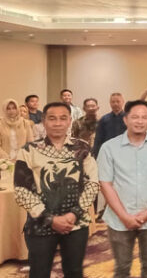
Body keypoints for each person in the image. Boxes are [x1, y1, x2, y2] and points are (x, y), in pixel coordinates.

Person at [14, 102, 99, 278]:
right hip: (40, 225)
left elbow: (93, 184)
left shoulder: (82, 148)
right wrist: (50, 218)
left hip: (75, 224)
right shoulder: (29, 150)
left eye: (63, 118)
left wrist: (74, 214)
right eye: (52, 118)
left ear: (70, 121)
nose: (58, 123)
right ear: (44, 121)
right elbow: (22, 190)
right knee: (39, 272)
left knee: (74, 271)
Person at [97, 100, 147, 278]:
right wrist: (124, 216)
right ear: (125, 119)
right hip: (119, 219)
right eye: (135, 117)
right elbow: (105, 183)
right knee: (122, 266)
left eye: (144, 117)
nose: (140, 121)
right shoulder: (109, 148)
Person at [93, 93, 127, 158]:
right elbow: (98, 139)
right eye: (113, 102)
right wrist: (97, 154)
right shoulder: (104, 119)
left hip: (125, 151)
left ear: (123, 102)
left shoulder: (128, 118)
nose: (115, 104)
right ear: (110, 103)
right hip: (108, 153)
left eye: (118, 101)